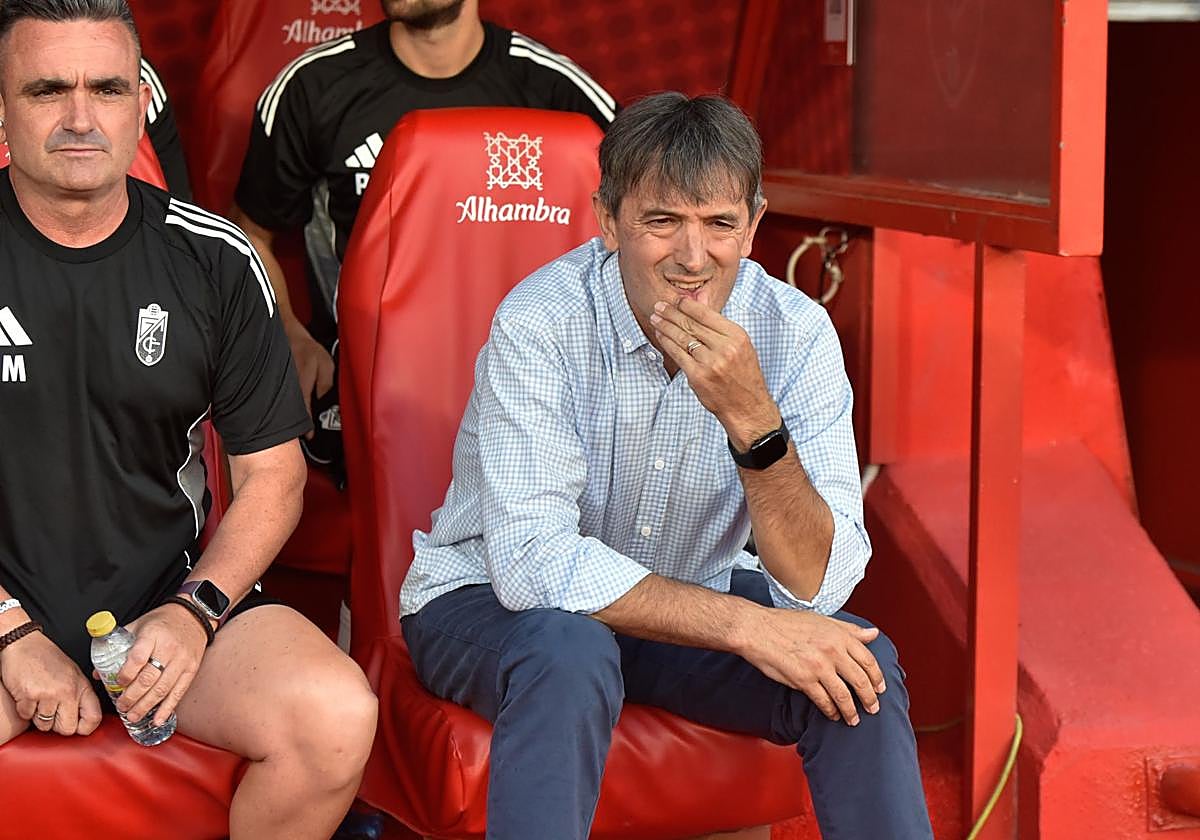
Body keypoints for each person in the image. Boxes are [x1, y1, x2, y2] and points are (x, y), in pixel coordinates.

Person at [399, 92, 936, 839]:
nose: (692, 256)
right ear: (607, 218)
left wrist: (755, 424)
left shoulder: (797, 333)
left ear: (753, 225)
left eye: (719, 223)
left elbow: (821, 584)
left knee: (855, 667)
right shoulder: (541, 320)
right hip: (488, 602)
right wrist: (744, 625)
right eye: (661, 221)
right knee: (570, 650)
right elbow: (530, 564)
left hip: (678, 604)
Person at [0, 3, 377, 839]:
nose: (79, 117)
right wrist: (12, 634)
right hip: (3, 607)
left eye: (107, 89)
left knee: (333, 715)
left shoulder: (215, 259)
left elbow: (273, 478)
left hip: (163, 594)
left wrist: (193, 612)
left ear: (141, 104)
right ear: (1, 107)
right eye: (46, 89)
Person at [231, 0, 616, 480]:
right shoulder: (313, 84)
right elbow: (250, 232)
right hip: (365, 375)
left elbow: (638, 222)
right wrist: (287, 333)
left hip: (527, 374)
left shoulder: (555, 90)